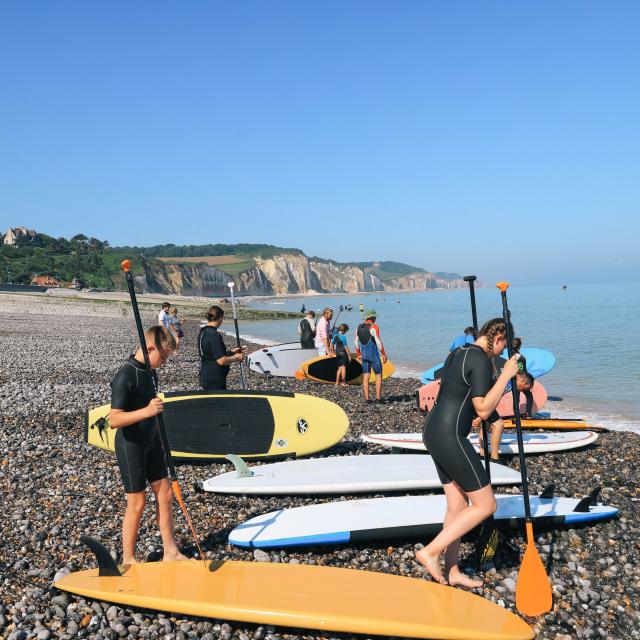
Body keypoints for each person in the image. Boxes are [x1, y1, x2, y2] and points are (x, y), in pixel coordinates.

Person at [416, 317, 520, 588]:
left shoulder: (458, 352)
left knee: (458, 505)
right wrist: (507, 375)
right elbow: (483, 408)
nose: (502, 353)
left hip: (433, 431)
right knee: (486, 505)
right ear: (496, 339)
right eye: (503, 346)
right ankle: (430, 551)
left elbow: (456, 394)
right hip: (451, 436)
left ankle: (452, 570)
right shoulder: (482, 360)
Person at [108, 325, 187, 565]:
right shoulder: (125, 375)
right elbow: (114, 419)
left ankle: (170, 551)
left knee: (165, 494)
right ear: (149, 347)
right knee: (138, 502)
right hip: (131, 444)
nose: (163, 362)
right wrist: (147, 411)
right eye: (162, 356)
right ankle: (129, 558)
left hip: (151, 441)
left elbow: (150, 411)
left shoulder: (150, 372)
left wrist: (160, 439)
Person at [477, 371, 535, 462]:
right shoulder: (508, 379)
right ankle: (494, 459)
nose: (521, 390)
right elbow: (491, 396)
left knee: (487, 423)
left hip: (482, 400)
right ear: (523, 381)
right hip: (480, 400)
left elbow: (495, 398)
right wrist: (480, 415)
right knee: (499, 425)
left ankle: (482, 455)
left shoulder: (511, 380)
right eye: (524, 388)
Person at [198, 305, 245, 390]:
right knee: (217, 402)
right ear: (220, 318)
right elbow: (221, 361)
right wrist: (237, 357)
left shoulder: (203, 332)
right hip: (215, 378)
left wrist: (231, 352)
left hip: (205, 374)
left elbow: (211, 354)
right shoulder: (214, 335)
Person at [354, 309, 387, 402]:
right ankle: (377, 398)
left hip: (364, 356)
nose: (376, 318)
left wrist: (358, 354)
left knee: (366, 376)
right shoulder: (374, 327)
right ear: (372, 317)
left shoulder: (358, 327)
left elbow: (356, 342)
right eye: (375, 317)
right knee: (378, 375)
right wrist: (384, 354)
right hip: (373, 356)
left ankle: (367, 399)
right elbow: (378, 342)